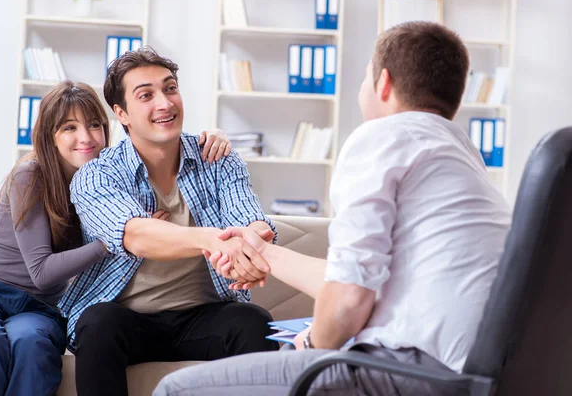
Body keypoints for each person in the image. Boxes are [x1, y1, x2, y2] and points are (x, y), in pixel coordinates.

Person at [153, 21, 512, 396]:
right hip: (472, 369)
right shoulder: (463, 156)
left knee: (174, 390)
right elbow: (357, 281)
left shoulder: (381, 138)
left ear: (383, 83)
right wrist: (262, 251)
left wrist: (309, 348)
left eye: (363, 79)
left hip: (412, 369)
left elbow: (350, 299)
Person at [0, 80, 233, 396]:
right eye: (69, 128)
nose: (86, 138)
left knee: (33, 347)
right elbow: (41, 273)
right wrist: (112, 241)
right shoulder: (31, 174)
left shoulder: (107, 176)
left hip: (39, 308)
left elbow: (157, 149)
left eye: (94, 125)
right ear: (49, 137)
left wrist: (215, 136)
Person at [57, 47, 279, 396]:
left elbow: (251, 222)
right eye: (146, 95)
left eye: (170, 88)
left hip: (203, 316)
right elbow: (135, 234)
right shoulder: (96, 175)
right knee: (98, 324)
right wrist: (213, 240)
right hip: (127, 318)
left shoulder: (217, 159)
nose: (164, 103)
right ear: (122, 114)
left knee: (254, 323)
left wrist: (250, 247)